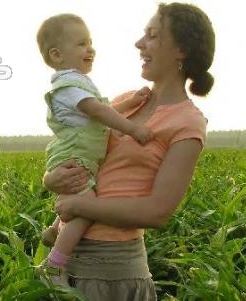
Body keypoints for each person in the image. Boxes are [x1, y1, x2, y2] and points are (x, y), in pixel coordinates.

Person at [43, 3, 215, 300]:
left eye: (152, 35)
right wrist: (50, 178)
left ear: (181, 50)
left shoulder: (187, 122)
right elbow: (77, 147)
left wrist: (80, 208)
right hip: (68, 262)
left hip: (115, 272)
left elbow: (157, 211)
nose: (139, 43)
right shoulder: (126, 102)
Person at [35, 13, 155, 287]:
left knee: (81, 198)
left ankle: (55, 230)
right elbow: (98, 111)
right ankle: (53, 265)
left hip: (77, 154)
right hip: (74, 156)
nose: (90, 49)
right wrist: (132, 128)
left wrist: (131, 103)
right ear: (56, 55)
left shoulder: (78, 83)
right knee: (87, 209)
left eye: (90, 42)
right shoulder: (68, 86)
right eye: (81, 44)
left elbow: (101, 111)